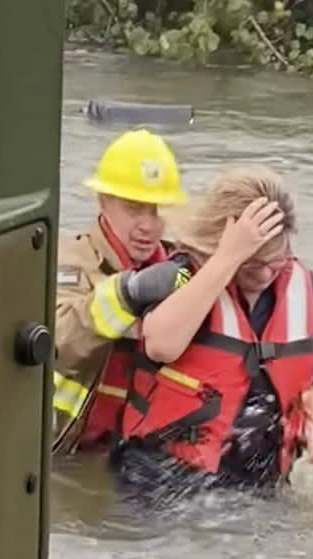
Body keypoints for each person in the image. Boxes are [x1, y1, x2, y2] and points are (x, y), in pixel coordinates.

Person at [112, 165, 313, 500]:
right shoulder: (182, 276)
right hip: (164, 486)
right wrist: (228, 257)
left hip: (257, 485)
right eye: (253, 263)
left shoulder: (303, 289)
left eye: (277, 260)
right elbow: (160, 346)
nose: (266, 273)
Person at [52, 129, 193, 455]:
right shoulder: (69, 262)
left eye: (157, 210)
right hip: (65, 453)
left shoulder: (181, 269)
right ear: (103, 201)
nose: (148, 225)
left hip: (135, 458)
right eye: (133, 208)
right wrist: (127, 294)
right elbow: (60, 341)